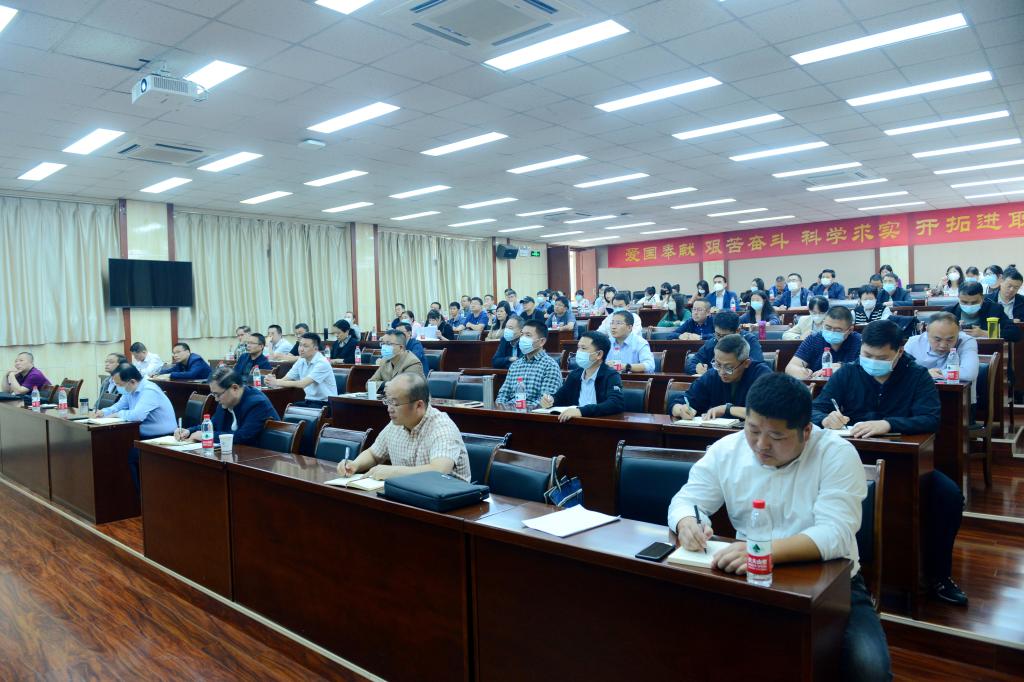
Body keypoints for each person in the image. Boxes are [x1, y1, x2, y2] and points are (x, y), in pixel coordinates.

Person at [669, 372, 892, 681]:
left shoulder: (836, 454)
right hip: (749, 577)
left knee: (869, 668)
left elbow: (836, 534)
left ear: (806, 431)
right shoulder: (727, 450)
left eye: (776, 437)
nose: (760, 445)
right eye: (753, 430)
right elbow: (687, 500)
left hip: (830, 584)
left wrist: (762, 551)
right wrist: (687, 523)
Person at [812, 320, 967, 606]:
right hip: (852, 461)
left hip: (906, 463)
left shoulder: (917, 376)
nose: (872, 361)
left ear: (899, 352)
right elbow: (816, 407)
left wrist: (888, 424)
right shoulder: (848, 373)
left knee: (949, 496)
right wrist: (825, 418)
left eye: (881, 357)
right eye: (867, 355)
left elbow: (931, 418)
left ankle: (939, 575)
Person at [338, 372, 472, 482]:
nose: (389, 409)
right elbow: (374, 454)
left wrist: (393, 472)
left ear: (419, 405)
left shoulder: (442, 428)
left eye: (395, 403)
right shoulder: (396, 423)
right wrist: (355, 464)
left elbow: (438, 471)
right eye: (388, 401)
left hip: (448, 502)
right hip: (410, 496)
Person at [97, 364, 177, 492]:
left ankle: (141, 498)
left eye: (119, 384)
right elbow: (118, 406)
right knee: (115, 449)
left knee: (130, 456)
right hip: (142, 435)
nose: (117, 387)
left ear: (132, 381)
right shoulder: (131, 389)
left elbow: (137, 416)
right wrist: (103, 412)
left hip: (163, 438)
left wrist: (118, 414)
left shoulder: (149, 390)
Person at [669, 334, 772, 420]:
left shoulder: (762, 376)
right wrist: (680, 409)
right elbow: (678, 403)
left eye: (729, 368)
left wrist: (727, 409)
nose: (722, 372)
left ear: (746, 363)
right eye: (717, 364)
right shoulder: (712, 375)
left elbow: (769, 413)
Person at [174, 366, 279, 446]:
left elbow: (242, 437)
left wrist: (205, 436)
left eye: (218, 394)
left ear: (234, 388)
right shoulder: (226, 400)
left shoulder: (257, 404)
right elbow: (214, 424)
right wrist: (189, 431)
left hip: (262, 459)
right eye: (214, 394)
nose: (216, 399)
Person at [538, 331, 623, 421]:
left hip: (599, 423)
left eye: (583, 348)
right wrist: (550, 400)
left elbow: (616, 403)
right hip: (575, 423)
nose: (578, 352)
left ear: (599, 354)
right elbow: (560, 397)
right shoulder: (575, 375)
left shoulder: (611, 375)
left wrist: (581, 411)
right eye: (578, 348)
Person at [904, 312, 979, 403]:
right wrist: (926, 374)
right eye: (937, 339)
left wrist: (929, 374)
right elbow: (902, 371)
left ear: (959, 331)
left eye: (950, 339)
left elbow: (969, 373)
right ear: (927, 330)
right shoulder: (914, 342)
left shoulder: (967, 341)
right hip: (919, 400)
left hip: (958, 401)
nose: (943, 345)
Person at [495, 320, 563, 408]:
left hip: (533, 414)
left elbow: (545, 402)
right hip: (509, 412)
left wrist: (520, 410)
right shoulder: (515, 365)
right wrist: (501, 408)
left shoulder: (550, 366)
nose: (522, 338)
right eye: (522, 334)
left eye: (528, 335)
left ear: (542, 341)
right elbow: (503, 395)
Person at [785, 306, 860, 378]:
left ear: (850, 330)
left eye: (837, 330)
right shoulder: (813, 339)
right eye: (828, 327)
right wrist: (802, 373)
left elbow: (864, 370)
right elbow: (790, 368)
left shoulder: (859, 342)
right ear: (823, 324)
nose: (831, 332)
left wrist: (844, 369)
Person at [265, 333, 337, 407]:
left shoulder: (322, 363)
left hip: (326, 403)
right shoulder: (301, 360)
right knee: (283, 407)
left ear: (315, 348)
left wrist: (276, 382)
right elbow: (285, 379)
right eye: (300, 345)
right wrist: (271, 382)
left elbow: (302, 384)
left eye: (305, 346)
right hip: (309, 401)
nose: (301, 349)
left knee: (290, 410)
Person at [685, 310, 764, 375]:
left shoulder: (750, 340)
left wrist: (710, 372)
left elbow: (756, 366)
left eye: (725, 336)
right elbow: (690, 363)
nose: (721, 340)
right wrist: (697, 369)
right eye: (718, 334)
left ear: (737, 331)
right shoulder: (713, 341)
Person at [944, 281, 1021, 342]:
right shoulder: (949, 312)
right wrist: (954, 331)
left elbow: (1015, 333)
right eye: (964, 302)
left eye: (974, 302)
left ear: (982, 298)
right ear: (958, 297)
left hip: (986, 351)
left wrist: (985, 333)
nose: (969, 305)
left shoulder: (994, 309)